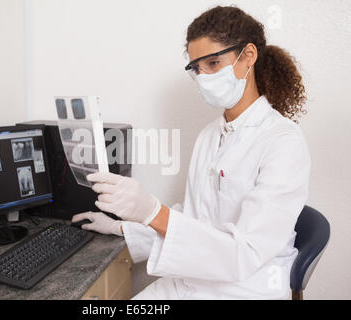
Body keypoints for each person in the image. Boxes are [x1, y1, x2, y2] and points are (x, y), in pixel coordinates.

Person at [72, 6, 310, 299]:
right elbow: (196, 219)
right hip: (191, 279)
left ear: (248, 56)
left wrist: (152, 212)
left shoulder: (283, 141)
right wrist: (122, 227)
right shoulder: (210, 135)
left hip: (244, 288)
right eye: (196, 68)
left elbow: (245, 253)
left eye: (212, 63)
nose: (203, 76)